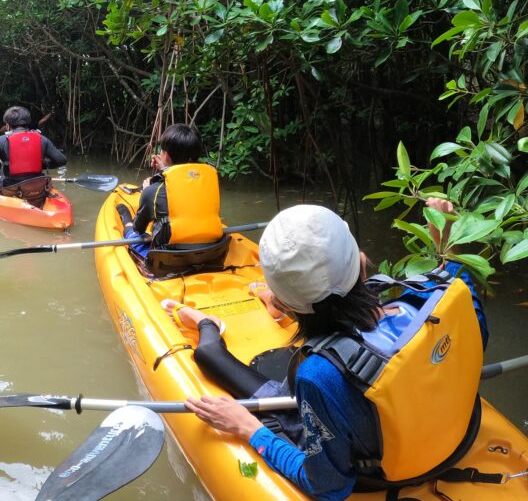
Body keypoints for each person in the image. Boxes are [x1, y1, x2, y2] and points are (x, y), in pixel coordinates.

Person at [169, 200, 487, 501]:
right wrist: (446, 238)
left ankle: (210, 325)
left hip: (383, 470)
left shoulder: (317, 375)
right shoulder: (437, 294)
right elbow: (459, 280)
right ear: (361, 264)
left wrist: (249, 427)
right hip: (459, 441)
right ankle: (255, 304)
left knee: (209, 356)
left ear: (288, 305)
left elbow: (328, 487)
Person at [116, 124, 224, 275]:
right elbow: (185, 187)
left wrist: (147, 190)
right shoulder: (210, 183)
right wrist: (164, 169)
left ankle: (125, 220)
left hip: (170, 261)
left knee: (133, 233)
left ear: (166, 156)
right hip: (211, 255)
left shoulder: (152, 191)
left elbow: (139, 228)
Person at [0, 105, 66, 206]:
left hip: (12, 189)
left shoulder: (1, 140)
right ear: (28, 123)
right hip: (38, 186)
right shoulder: (42, 138)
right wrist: (43, 165)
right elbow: (61, 160)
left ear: (8, 125)